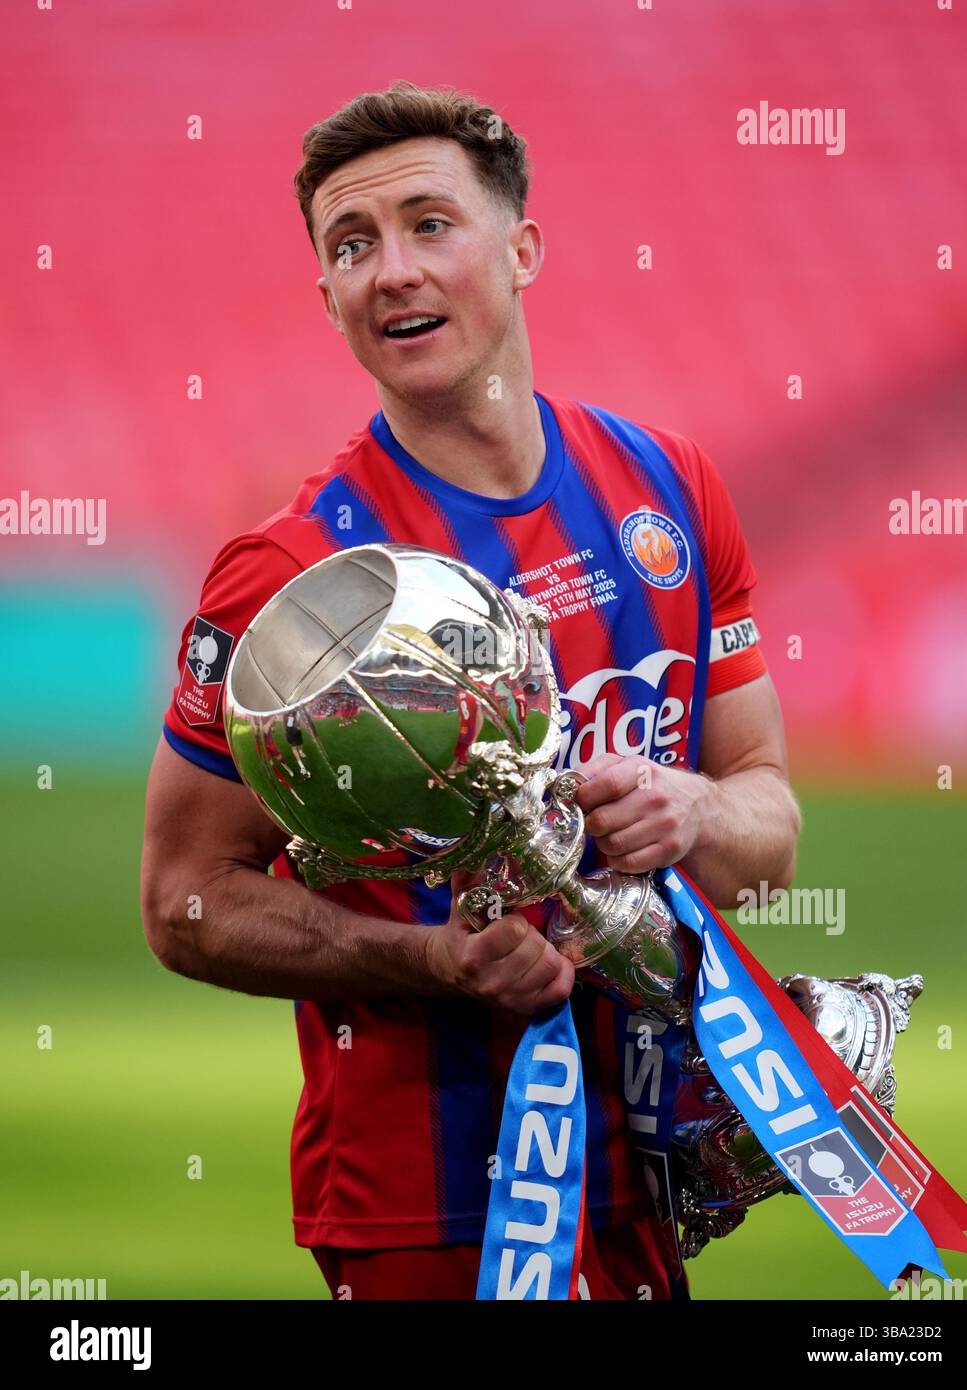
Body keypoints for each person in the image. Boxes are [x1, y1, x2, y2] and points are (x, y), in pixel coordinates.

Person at [140, 80, 801, 1301]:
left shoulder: (666, 487)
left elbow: (766, 826)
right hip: (428, 1204)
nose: (390, 270)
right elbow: (183, 901)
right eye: (352, 246)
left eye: (428, 224)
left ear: (522, 247)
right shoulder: (292, 578)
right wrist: (427, 960)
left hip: (649, 1172)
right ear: (327, 294)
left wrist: (696, 811)